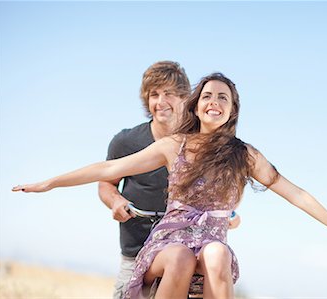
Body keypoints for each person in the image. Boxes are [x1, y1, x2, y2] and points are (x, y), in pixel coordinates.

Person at [13, 72, 327, 299]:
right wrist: (51, 182)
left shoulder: (244, 155)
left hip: (212, 244)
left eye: (223, 98)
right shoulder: (174, 146)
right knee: (182, 256)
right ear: (197, 107)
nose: (214, 102)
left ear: (232, 110)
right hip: (169, 244)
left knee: (218, 252)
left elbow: (295, 193)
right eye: (208, 96)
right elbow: (110, 167)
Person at [97, 61, 240, 298]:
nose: (161, 102)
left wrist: (229, 215)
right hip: (135, 252)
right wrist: (115, 201)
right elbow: (105, 183)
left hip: (187, 253)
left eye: (170, 94)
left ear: (186, 99)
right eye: (154, 95)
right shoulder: (126, 142)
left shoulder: (200, 145)